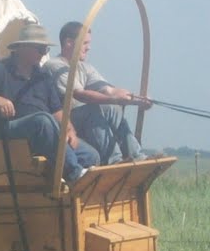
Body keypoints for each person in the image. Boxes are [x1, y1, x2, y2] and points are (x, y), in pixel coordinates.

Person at [0, 21, 98, 183]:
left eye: (46, 49)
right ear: (24, 47)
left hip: (43, 135)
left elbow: (57, 111)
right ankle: (74, 174)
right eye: (40, 49)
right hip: (6, 131)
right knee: (42, 120)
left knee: (91, 155)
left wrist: (70, 130)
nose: (44, 54)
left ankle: (72, 187)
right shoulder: (0, 69)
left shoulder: (43, 76)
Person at [43, 21, 153, 164]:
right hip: (65, 121)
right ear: (69, 43)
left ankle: (137, 155)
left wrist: (136, 100)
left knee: (112, 108)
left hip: (83, 119)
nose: (88, 47)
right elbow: (80, 94)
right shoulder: (55, 65)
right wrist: (115, 99)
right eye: (84, 43)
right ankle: (115, 161)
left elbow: (109, 90)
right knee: (94, 110)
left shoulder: (85, 68)